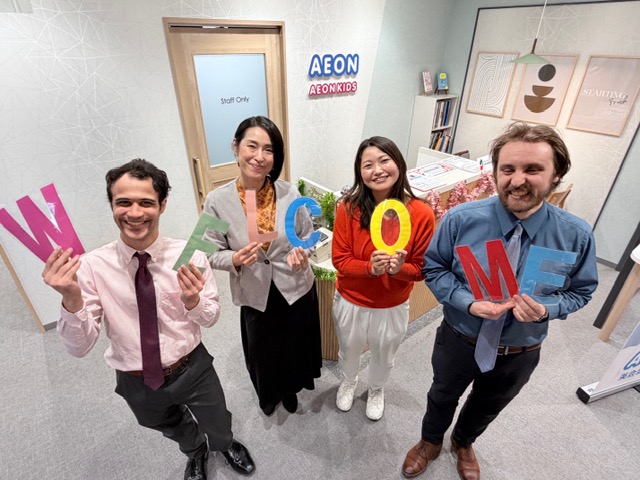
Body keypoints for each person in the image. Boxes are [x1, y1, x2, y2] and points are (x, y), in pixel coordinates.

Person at [401, 122, 598, 479]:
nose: (517, 180)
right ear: (495, 173)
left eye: (533, 169)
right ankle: (430, 440)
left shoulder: (576, 235)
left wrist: (549, 309)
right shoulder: (461, 220)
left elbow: (581, 291)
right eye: (508, 169)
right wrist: (468, 302)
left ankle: (463, 442)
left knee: (489, 404)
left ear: (556, 175)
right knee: (441, 394)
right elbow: (435, 268)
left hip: (521, 349)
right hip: (459, 338)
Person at [42, 159, 255, 480]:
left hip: (192, 367)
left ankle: (225, 444)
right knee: (166, 424)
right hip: (135, 378)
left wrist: (193, 301)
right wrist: (71, 299)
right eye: (123, 202)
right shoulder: (92, 267)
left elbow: (211, 317)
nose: (134, 213)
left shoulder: (190, 255)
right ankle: (195, 451)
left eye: (146, 202)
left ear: (162, 204)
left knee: (217, 420)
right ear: (112, 205)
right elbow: (78, 348)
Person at [203, 116, 322, 417]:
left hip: (295, 286)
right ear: (235, 147)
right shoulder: (216, 201)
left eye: (268, 150)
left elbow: (308, 235)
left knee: (294, 345)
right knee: (264, 350)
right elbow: (205, 251)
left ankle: (292, 389)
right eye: (251, 146)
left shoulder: (289, 192)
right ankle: (269, 395)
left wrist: (302, 251)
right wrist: (233, 259)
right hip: (254, 290)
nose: (259, 156)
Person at [332, 136, 435, 420]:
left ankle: (376, 389)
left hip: (392, 304)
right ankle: (349, 381)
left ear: (398, 163)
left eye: (384, 161)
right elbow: (340, 260)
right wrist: (370, 268)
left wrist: (398, 269)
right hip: (351, 300)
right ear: (360, 172)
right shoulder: (348, 208)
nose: (377, 170)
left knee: (384, 355)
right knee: (348, 349)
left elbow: (421, 270)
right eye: (368, 165)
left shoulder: (421, 213)